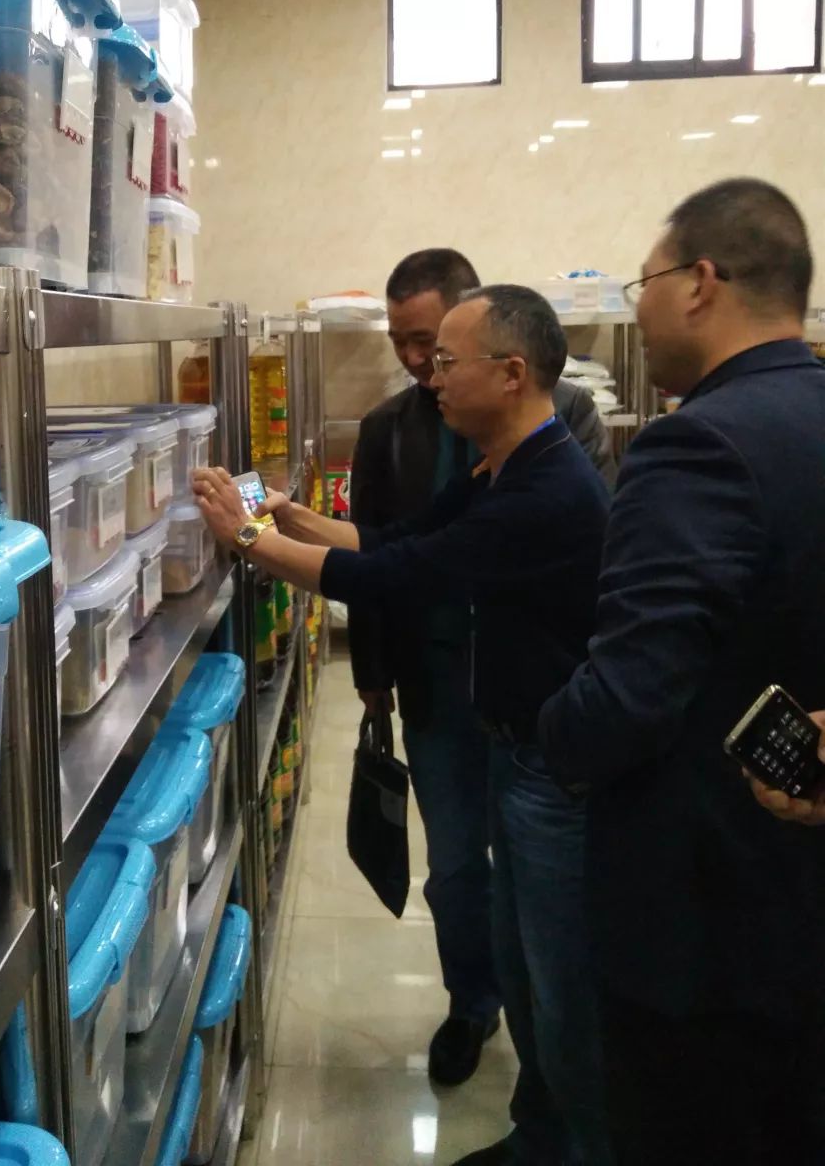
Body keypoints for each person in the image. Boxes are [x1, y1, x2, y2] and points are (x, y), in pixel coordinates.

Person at [196, 286, 614, 1166]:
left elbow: (397, 578)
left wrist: (248, 542)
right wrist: (284, 516)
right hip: (515, 748)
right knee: (520, 958)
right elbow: (395, 542)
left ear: (511, 373)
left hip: (553, 771)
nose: (432, 377)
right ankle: (540, 1133)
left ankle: (571, 1145)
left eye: (448, 360)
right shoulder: (501, 466)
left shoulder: (546, 488)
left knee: (561, 985)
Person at [537, 179, 825, 1165]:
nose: (639, 309)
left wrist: (551, 732)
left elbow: (626, 698)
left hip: (706, 933)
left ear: (701, 283)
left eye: (645, 283)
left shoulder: (697, 443)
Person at [348, 249, 614, 1085]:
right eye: (402, 343)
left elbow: (585, 551)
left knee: (536, 871)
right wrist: (372, 672)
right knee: (458, 867)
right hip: (435, 685)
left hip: (533, 692)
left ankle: (550, 1060)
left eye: (431, 343)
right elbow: (380, 547)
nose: (418, 362)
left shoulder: (561, 421)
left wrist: (263, 541)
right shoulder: (388, 428)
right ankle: (473, 1003)